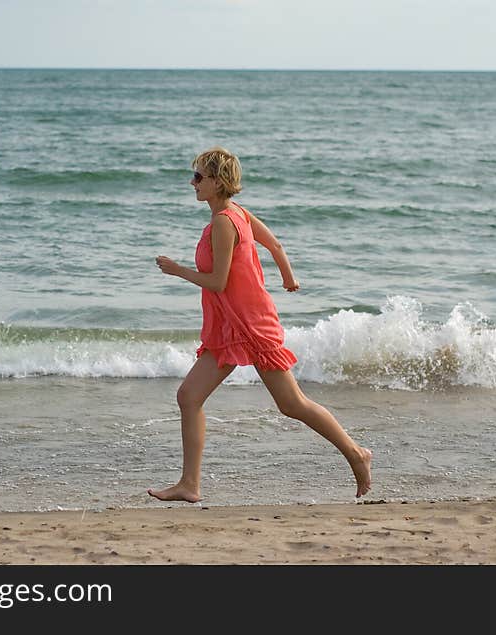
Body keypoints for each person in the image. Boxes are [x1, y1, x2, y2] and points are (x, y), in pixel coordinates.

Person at [148, 146, 372, 503]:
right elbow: (276, 245)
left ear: (217, 182)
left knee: (292, 403)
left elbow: (217, 281)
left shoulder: (224, 221)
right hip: (229, 326)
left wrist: (177, 270)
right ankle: (189, 485)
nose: (192, 183)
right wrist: (288, 278)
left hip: (249, 325)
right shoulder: (237, 213)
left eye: (198, 177)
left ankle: (356, 453)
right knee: (188, 396)